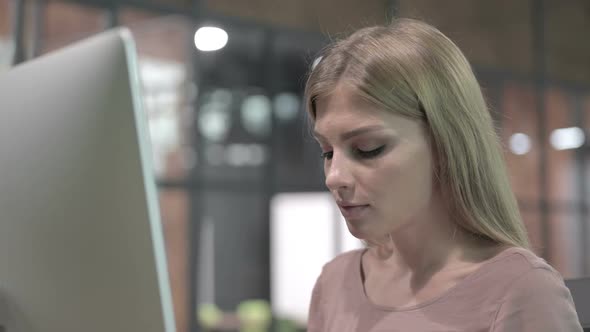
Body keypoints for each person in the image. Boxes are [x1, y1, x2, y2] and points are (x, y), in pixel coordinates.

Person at [304, 18, 583, 331]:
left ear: (445, 144)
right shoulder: (335, 284)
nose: (334, 176)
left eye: (368, 148)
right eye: (327, 152)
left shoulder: (521, 291)